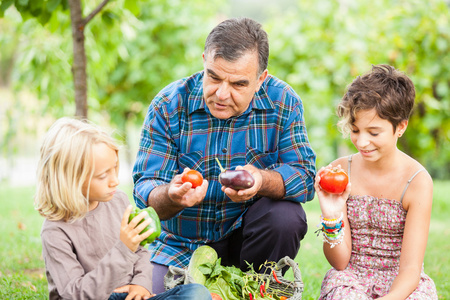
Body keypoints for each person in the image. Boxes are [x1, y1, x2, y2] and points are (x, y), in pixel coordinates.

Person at [133, 17, 316, 293]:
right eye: (214, 77)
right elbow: (144, 190)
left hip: (249, 241)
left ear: (260, 80)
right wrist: (172, 194)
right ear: (204, 60)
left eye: (238, 84)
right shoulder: (168, 105)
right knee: (158, 296)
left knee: (285, 216)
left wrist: (260, 181)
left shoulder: (283, 102)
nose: (221, 93)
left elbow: (304, 176)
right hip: (182, 244)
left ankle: (258, 287)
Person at [34, 118, 211, 300]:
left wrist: (140, 283)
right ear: (70, 179)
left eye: (114, 169)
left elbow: (141, 249)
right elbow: (74, 295)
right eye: (103, 175)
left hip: (130, 295)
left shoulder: (117, 200)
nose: (115, 181)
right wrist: (124, 248)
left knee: (196, 293)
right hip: (98, 297)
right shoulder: (55, 231)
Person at [315, 64, 438, 299]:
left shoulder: (418, 181)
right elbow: (340, 262)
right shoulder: (342, 171)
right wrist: (331, 215)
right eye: (355, 129)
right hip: (352, 278)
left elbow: (411, 271)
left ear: (400, 127)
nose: (361, 142)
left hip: (401, 283)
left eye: (373, 133)